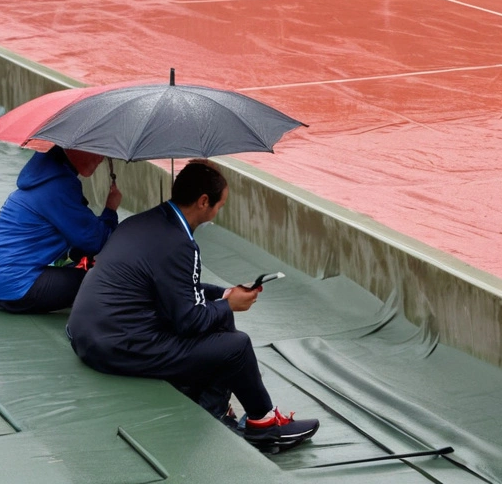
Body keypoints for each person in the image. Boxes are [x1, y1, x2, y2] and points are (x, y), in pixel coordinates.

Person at [66, 159, 319, 453]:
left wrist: (224, 294)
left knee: (219, 322)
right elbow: (189, 320)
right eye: (219, 205)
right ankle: (265, 427)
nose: (218, 212)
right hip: (115, 347)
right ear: (203, 202)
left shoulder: (143, 222)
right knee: (236, 346)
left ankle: (215, 407)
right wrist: (229, 306)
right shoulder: (179, 244)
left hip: (87, 334)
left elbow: (175, 289)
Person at [0, 146, 122, 314]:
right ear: (71, 150)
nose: (101, 158)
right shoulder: (58, 186)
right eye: (96, 149)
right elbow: (94, 241)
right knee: (105, 281)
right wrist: (110, 210)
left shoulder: (41, 179)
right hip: (12, 289)